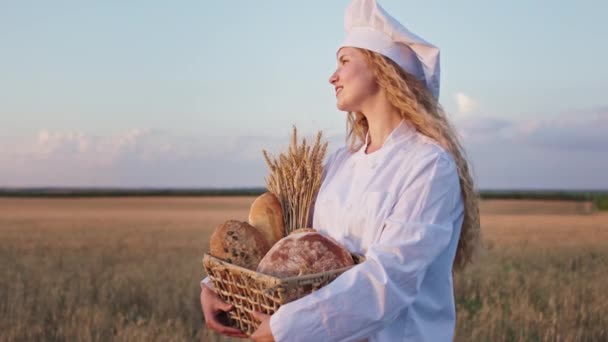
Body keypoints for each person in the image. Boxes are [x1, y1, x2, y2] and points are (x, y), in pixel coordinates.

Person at [201, 0, 481, 341]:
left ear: (382, 68)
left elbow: (391, 278)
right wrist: (221, 286)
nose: (332, 76)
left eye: (344, 61)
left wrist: (287, 327)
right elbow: (288, 247)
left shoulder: (429, 165)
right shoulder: (339, 162)